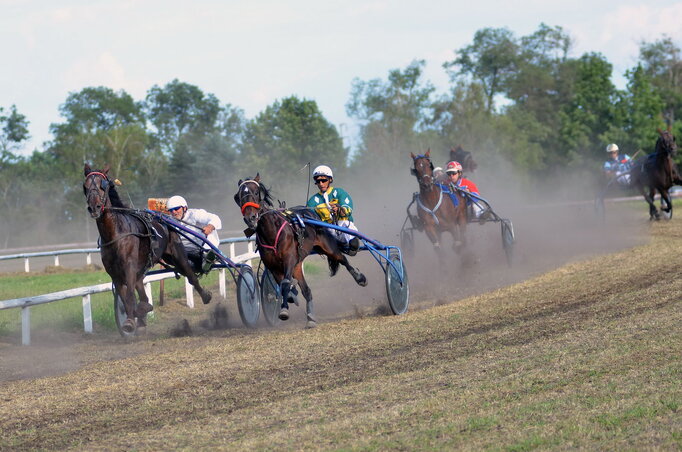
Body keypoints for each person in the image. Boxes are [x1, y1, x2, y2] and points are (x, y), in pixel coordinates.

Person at [306, 165, 361, 255]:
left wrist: (339, 209)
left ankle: (352, 244)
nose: (321, 183)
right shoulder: (313, 201)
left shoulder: (339, 192)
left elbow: (347, 210)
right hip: (327, 232)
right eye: (318, 181)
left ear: (330, 180)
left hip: (343, 226)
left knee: (354, 243)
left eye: (324, 180)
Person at [166, 195, 222, 273]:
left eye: (176, 209)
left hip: (201, 249)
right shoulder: (169, 220)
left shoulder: (195, 214)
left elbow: (215, 218)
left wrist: (210, 226)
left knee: (212, 231)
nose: (174, 212)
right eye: (171, 210)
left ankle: (208, 257)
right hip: (185, 252)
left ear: (184, 208)